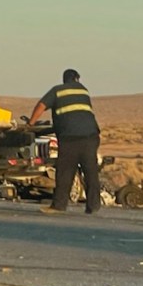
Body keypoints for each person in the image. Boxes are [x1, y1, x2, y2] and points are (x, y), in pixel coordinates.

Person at [28, 68, 101, 215]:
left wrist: (31, 123)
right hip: (90, 136)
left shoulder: (57, 91)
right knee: (91, 172)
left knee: (65, 173)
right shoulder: (83, 90)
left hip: (69, 138)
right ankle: (93, 206)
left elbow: (41, 105)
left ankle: (59, 206)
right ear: (76, 79)